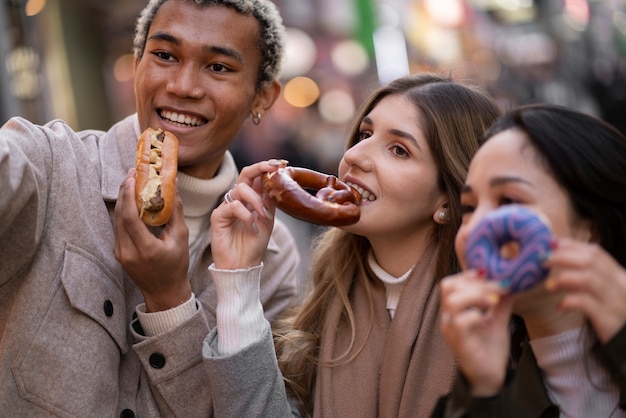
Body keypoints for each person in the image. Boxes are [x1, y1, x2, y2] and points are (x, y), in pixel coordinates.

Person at [0, 0, 300, 416]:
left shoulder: (273, 256)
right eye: (164, 55)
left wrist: (170, 300)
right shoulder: (51, 163)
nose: (183, 86)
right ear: (138, 63)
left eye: (218, 67)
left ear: (261, 97)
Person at [202, 73, 502, 417]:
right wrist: (237, 277)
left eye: (399, 150)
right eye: (365, 133)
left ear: (448, 200)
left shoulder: (504, 322)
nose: (355, 155)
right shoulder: (320, 313)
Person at [432, 103, 626, 417]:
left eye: (508, 201)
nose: (476, 228)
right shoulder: (479, 385)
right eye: (468, 208)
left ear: (590, 228)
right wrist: (481, 395)